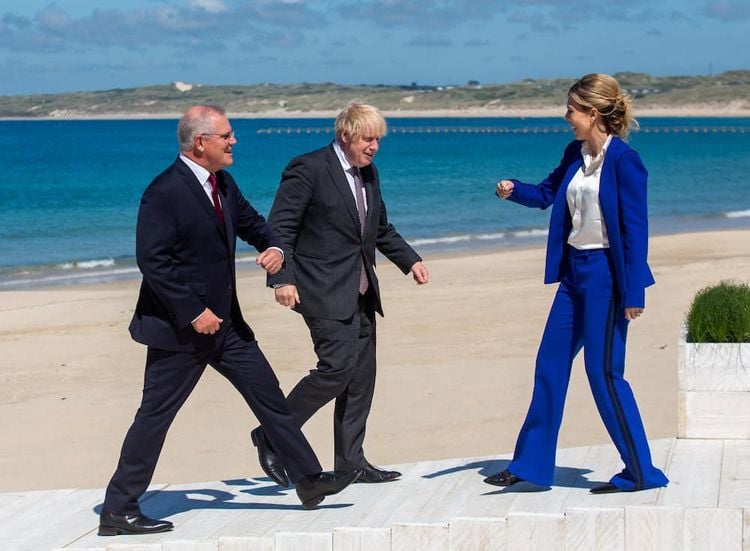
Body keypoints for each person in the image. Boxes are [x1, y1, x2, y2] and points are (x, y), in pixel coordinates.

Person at [99, 105, 358, 537]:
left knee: (270, 398)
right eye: (226, 136)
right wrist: (194, 312)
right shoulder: (164, 192)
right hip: (181, 330)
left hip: (227, 326)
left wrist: (275, 248)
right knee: (155, 416)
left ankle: (309, 481)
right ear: (200, 143)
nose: (233, 141)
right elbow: (154, 262)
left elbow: (256, 224)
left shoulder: (222, 182)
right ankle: (119, 509)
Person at [485, 74, 669, 494]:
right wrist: (514, 190)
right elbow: (548, 193)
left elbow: (635, 231)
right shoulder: (575, 152)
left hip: (609, 278)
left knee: (604, 373)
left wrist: (634, 293)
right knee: (549, 363)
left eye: (571, 109)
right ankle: (530, 465)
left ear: (592, 112)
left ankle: (641, 472)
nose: (565, 116)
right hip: (574, 276)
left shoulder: (626, 162)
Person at [251, 102, 429, 486]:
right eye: (368, 138)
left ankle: (351, 462)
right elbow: (279, 228)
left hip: (362, 290)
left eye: (378, 139)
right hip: (320, 289)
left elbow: (379, 229)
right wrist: (282, 279)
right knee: (336, 369)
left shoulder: (369, 173)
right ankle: (272, 433)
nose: (374, 146)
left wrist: (409, 260)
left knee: (361, 378)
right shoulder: (308, 168)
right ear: (345, 135)